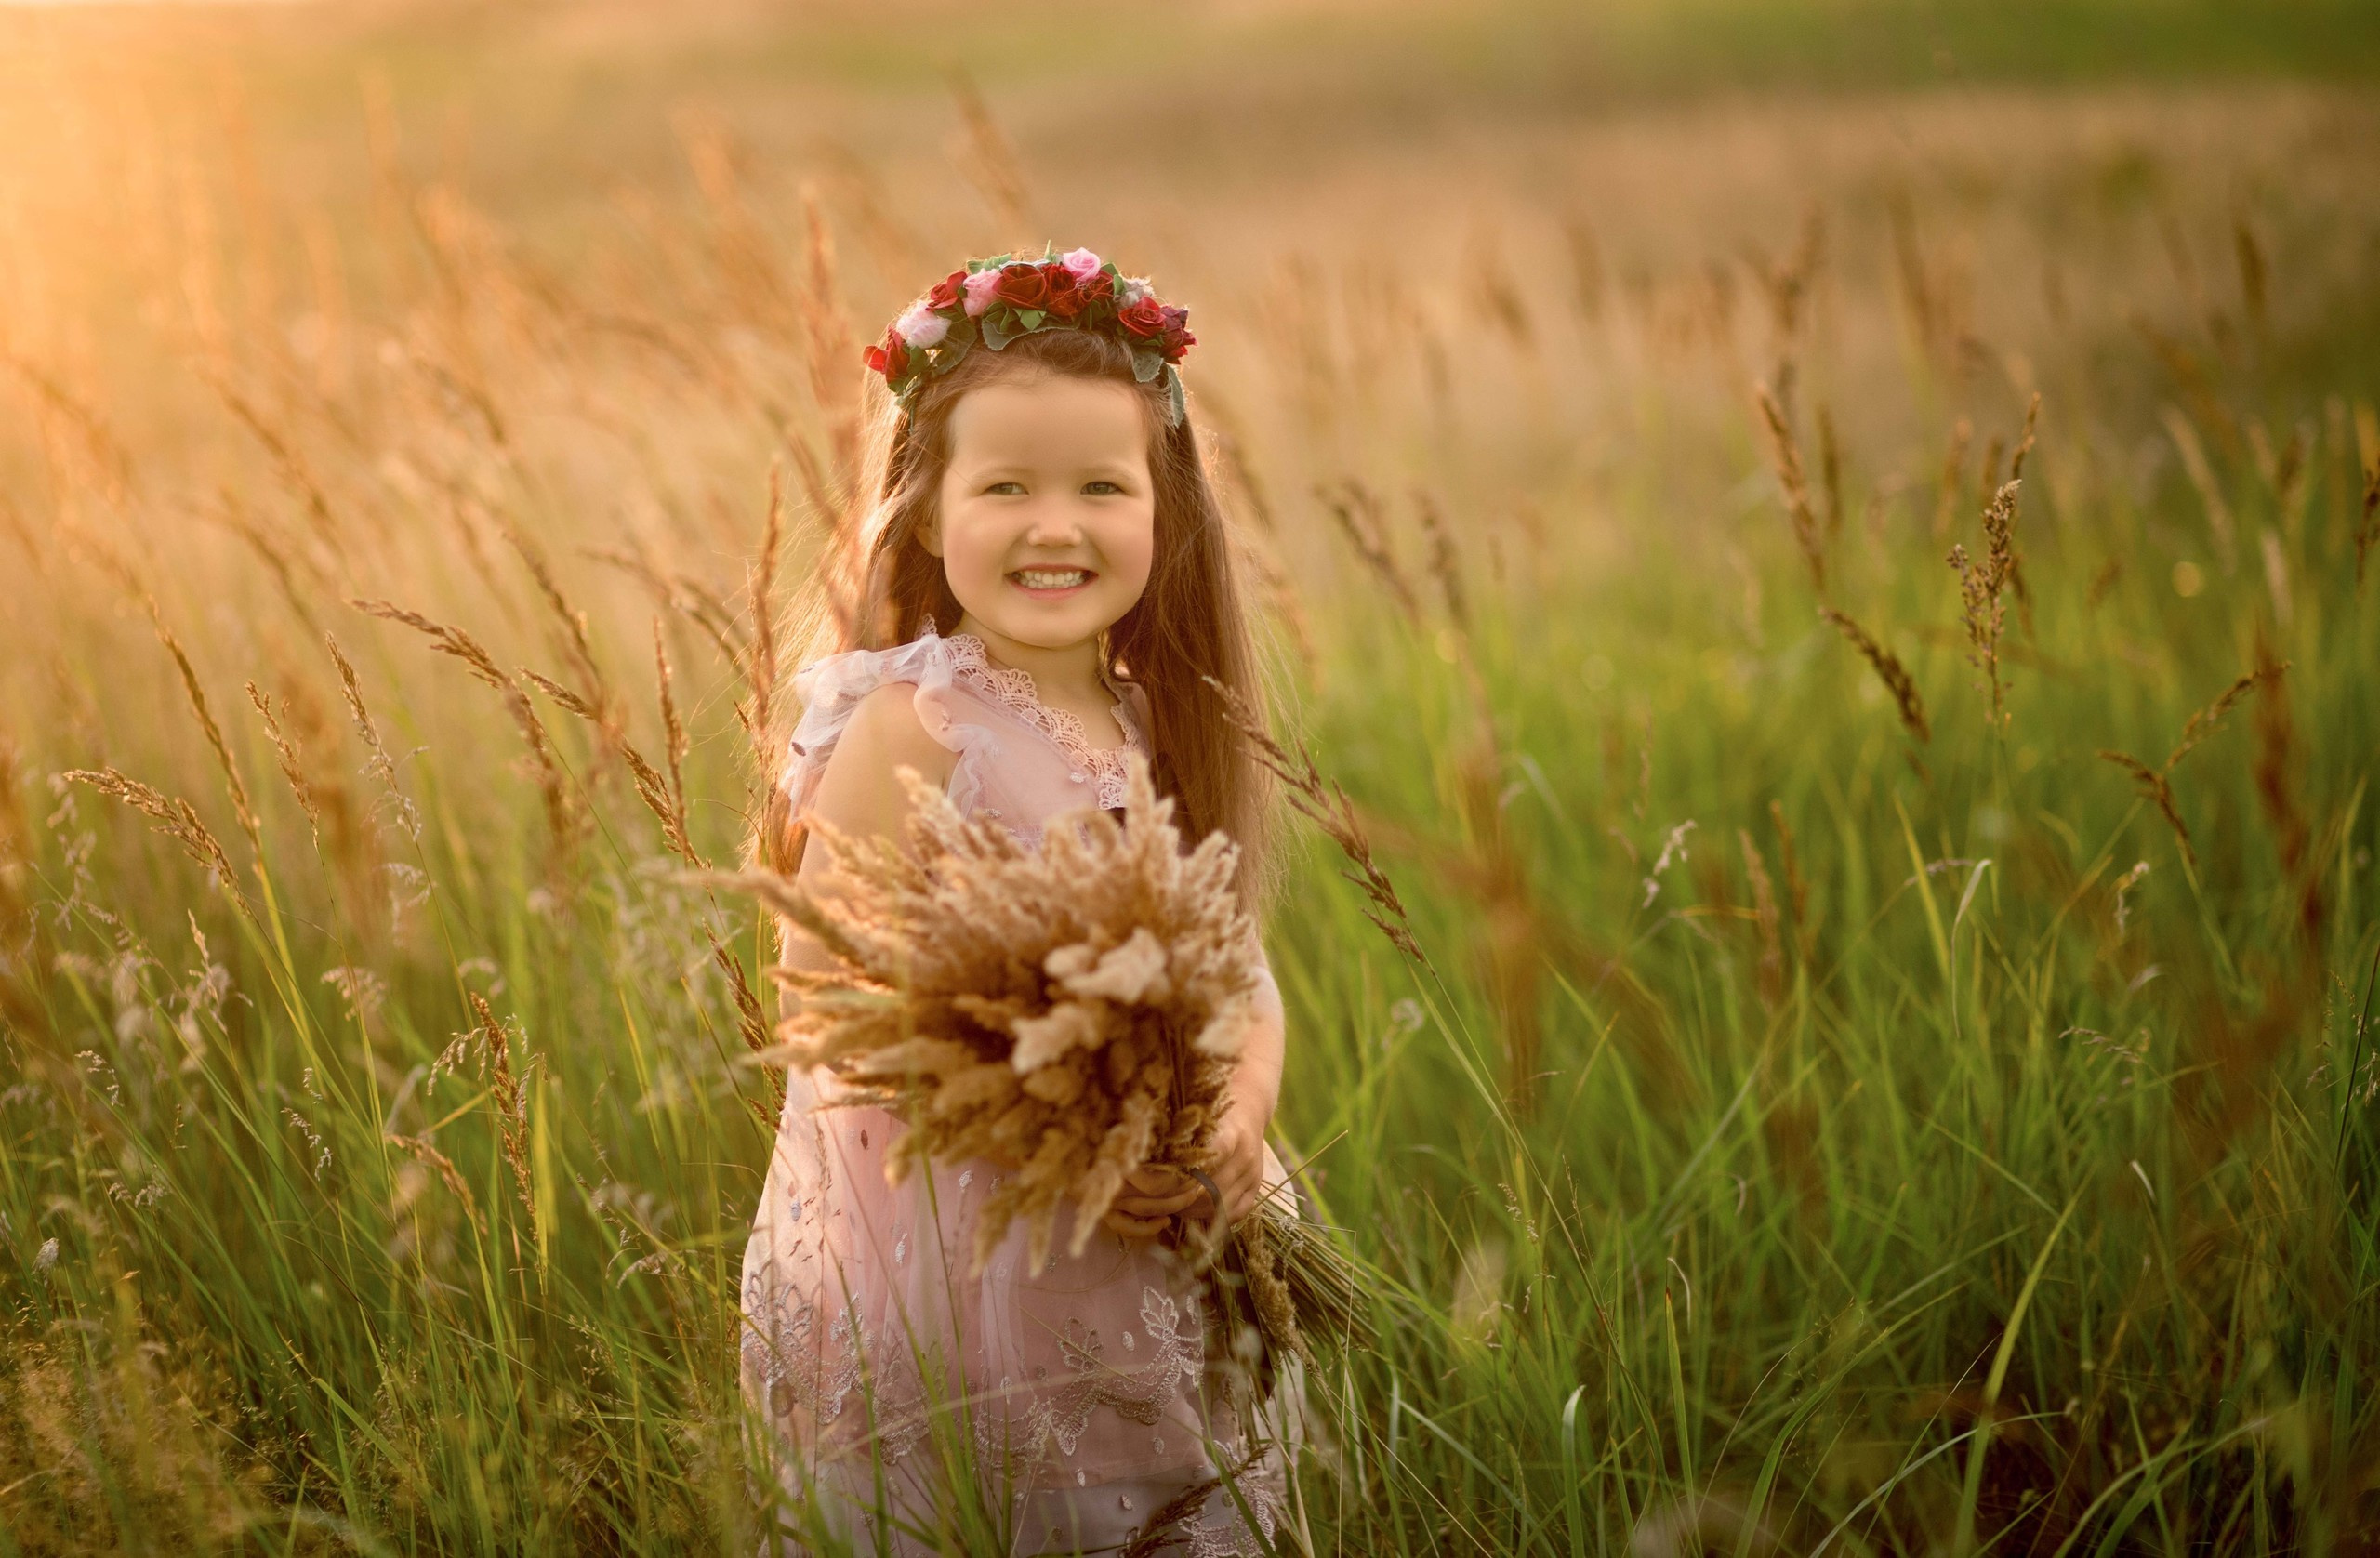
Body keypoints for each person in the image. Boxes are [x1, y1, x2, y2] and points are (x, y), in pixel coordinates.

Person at [739, 248, 1293, 1554]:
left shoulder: (1157, 723)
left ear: (1166, 514)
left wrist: (1237, 1119)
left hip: (1152, 1221)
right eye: (1008, 488)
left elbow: (1239, 969)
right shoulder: (915, 724)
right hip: (965, 1235)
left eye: (1102, 487)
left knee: (1157, 1496)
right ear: (928, 515)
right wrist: (1040, 1113)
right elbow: (819, 992)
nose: (1058, 526)